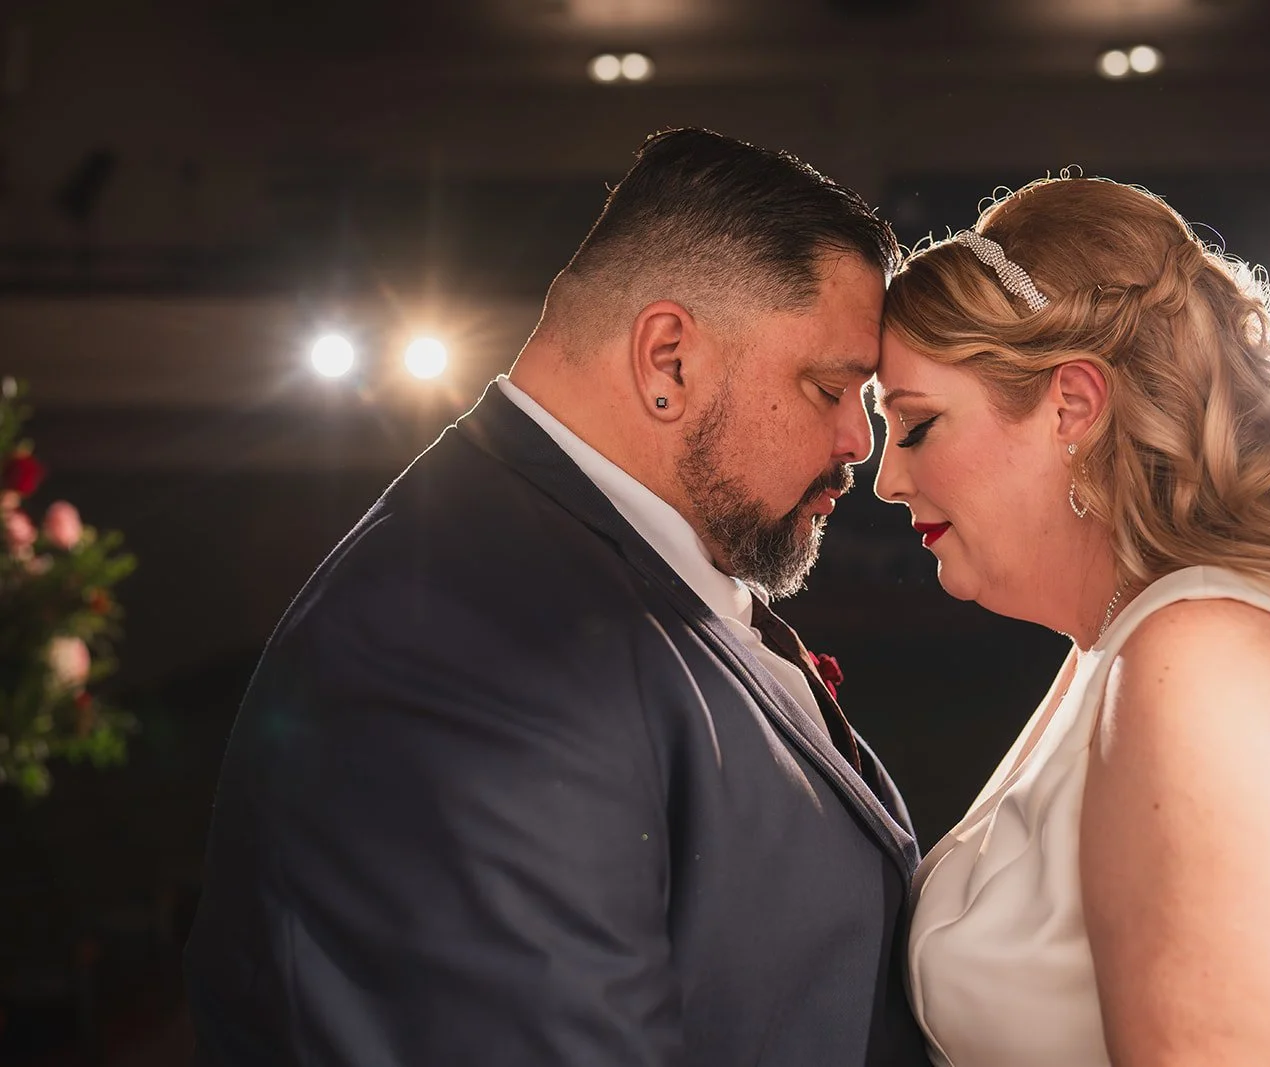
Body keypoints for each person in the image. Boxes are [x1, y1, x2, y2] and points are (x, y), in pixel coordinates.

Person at [184, 128, 932, 1066]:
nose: (859, 443)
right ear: (669, 361)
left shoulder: (573, 561)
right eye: (831, 387)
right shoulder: (464, 642)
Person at [873, 176, 1270, 1066]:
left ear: (1072, 405)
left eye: (915, 426)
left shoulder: (1207, 661)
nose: (887, 481)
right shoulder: (1124, 641)